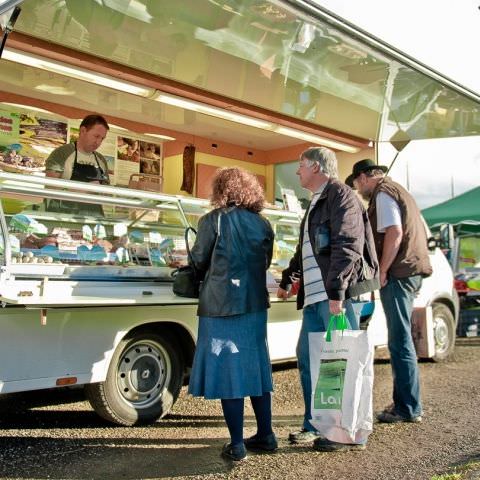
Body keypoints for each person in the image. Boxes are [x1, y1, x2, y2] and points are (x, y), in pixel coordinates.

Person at [278, 147, 379, 452]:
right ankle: (316, 423)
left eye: (302, 165)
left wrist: (337, 292)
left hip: (336, 295)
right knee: (310, 360)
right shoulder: (316, 201)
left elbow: (348, 245)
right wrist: (288, 278)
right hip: (315, 296)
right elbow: (306, 249)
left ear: (318, 168)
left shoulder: (341, 196)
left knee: (339, 362)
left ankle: (340, 430)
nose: (298, 171)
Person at [188, 167, 277, 462]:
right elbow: (264, 263)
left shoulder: (212, 221)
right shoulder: (263, 224)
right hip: (254, 303)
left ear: (221, 190)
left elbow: (199, 261)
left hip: (221, 304)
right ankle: (266, 434)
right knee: (256, 368)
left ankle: (237, 443)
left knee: (229, 373)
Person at [346, 158, 432, 424]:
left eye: (357, 184)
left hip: (398, 273)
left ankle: (407, 407)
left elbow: (393, 233)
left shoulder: (383, 194)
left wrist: (382, 270)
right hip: (412, 269)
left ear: (364, 177)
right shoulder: (399, 190)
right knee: (401, 336)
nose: (359, 190)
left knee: (399, 339)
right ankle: (407, 403)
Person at [45, 114, 110, 184]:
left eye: (102, 138)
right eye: (96, 136)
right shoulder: (62, 153)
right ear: (83, 131)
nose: (99, 142)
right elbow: (51, 187)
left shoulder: (101, 160)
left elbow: (106, 190)